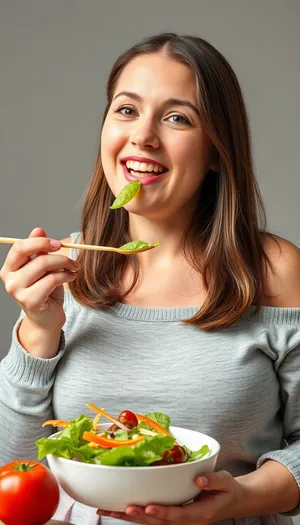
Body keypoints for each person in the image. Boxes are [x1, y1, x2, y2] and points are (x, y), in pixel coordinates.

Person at [0, 32, 300, 525]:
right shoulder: (62, 272)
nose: (143, 136)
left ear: (217, 151)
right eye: (126, 110)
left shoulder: (273, 270)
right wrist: (38, 329)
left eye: (177, 117)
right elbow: (17, 470)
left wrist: (242, 498)